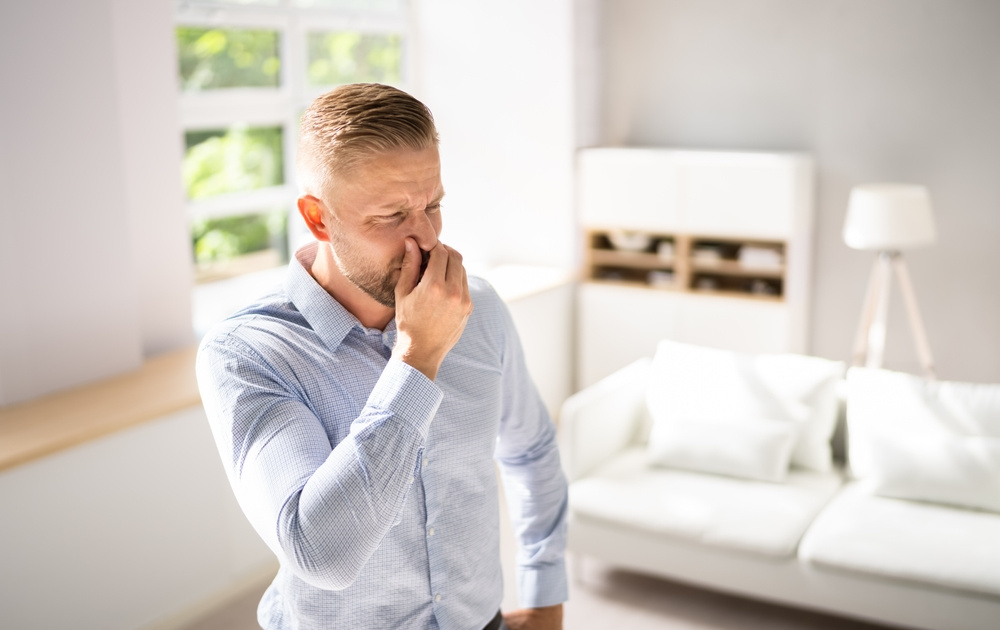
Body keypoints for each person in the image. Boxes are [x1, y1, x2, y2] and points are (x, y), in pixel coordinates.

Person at [196, 83, 568, 630]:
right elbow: (320, 553)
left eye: (433, 205)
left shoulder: (480, 308)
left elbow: (530, 447)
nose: (425, 238)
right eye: (391, 215)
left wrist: (545, 596)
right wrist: (417, 361)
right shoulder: (247, 354)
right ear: (318, 218)